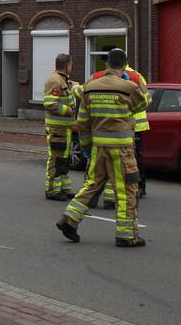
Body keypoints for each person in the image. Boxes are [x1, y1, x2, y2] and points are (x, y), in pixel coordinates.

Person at [57, 47, 148, 248]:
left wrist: (87, 148)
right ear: (124, 66)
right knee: (126, 189)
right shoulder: (128, 87)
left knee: (92, 185)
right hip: (122, 149)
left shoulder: (90, 87)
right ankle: (126, 235)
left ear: (106, 65)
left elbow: (82, 122)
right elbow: (142, 105)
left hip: (99, 148)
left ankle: (69, 219)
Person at [87, 51, 150, 207]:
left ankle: (91, 198)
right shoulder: (136, 76)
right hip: (128, 127)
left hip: (101, 129)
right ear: (125, 62)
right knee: (130, 163)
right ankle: (135, 190)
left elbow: (83, 95)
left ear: (107, 63)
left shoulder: (97, 76)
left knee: (98, 170)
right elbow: (145, 100)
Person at [42, 53, 76, 200]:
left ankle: (64, 188)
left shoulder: (62, 80)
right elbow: (50, 104)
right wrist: (69, 110)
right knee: (55, 159)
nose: (72, 67)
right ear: (66, 65)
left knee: (64, 159)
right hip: (57, 128)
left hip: (64, 128)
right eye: (71, 64)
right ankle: (52, 190)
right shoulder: (55, 81)